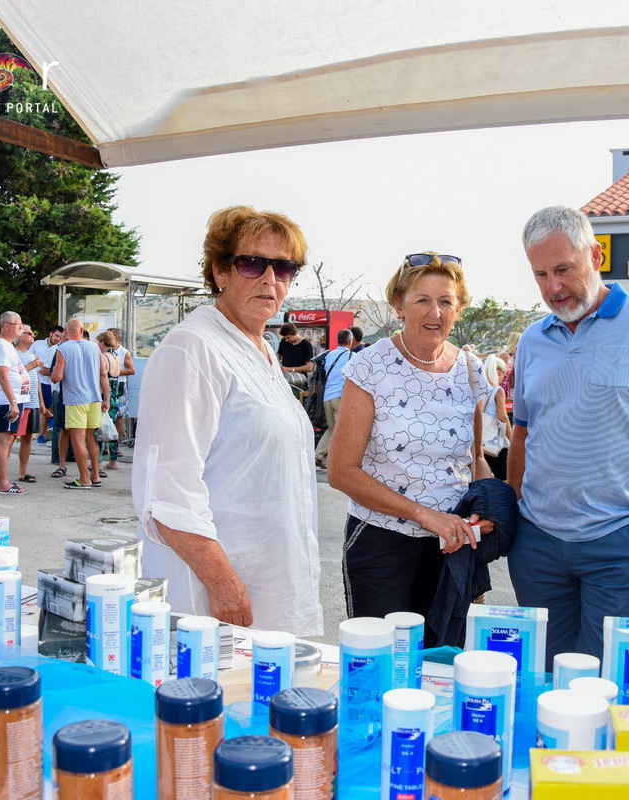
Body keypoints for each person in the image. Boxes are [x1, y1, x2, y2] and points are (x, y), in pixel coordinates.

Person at [507, 206, 629, 661]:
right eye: (540, 274)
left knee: (608, 682)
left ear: (596, 256)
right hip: (538, 545)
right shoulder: (533, 339)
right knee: (543, 676)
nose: (553, 287)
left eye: (564, 269)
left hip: (620, 541)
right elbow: (522, 434)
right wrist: (515, 510)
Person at [130, 205, 323, 635]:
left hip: (267, 581)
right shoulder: (191, 347)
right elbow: (168, 490)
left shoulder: (261, 348)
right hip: (217, 596)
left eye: (284, 268)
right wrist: (222, 583)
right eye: (252, 263)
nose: (270, 279)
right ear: (219, 271)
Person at [328, 252, 494, 644]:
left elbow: (476, 460)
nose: (434, 312)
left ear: (458, 308)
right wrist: (425, 515)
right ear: (399, 305)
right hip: (382, 541)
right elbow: (341, 471)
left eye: (446, 301)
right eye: (422, 300)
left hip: (451, 546)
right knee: (381, 658)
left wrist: (486, 504)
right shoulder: (371, 366)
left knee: (442, 661)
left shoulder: (470, 370)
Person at [51, 319, 109, 490]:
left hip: (75, 399)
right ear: (82, 330)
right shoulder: (94, 347)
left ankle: (84, 479)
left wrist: (53, 373)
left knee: (77, 439)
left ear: (66, 332)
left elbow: (57, 377)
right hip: (94, 398)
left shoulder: (63, 349)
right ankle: (95, 475)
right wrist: (106, 398)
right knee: (91, 438)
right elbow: (103, 374)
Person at [0, 310, 32, 494]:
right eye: (18, 325)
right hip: (8, 400)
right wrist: (13, 402)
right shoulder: (2, 347)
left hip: (12, 399)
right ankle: (2, 482)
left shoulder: (6, 346)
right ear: (6, 326)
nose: (20, 329)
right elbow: (3, 376)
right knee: (4, 439)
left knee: (5, 438)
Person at [313, 327, 354, 469]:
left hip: (327, 397)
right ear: (350, 341)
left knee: (332, 428)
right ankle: (339, 462)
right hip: (340, 397)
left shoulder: (329, 355)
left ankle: (317, 455)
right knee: (341, 431)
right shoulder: (352, 356)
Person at [13, 324, 45, 484]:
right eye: (29, 333)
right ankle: (0, 474)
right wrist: (32, 365)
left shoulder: (31, 354)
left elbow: (36, 379)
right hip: (20, 402)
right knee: (10, 437)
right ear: (19, 336)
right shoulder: (14, 354)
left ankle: (23, 472)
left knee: (27, 437)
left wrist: (41, 402)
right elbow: (12, 374)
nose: (33, 335)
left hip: (32, 402)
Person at [480, 354, 513, 480]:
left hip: (480, 441)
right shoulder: (498, 390)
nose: (504, 377)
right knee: (503, 478)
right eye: (504, 374)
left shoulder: (480, 387)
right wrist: (512, 439)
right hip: (494, 443)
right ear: (499, 372)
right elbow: (503, 418)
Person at [30, 325, 62, 443]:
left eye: (60, 337)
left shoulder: (60, 348)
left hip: (51, 383)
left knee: (46, 408)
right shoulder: (38, 344)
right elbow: (29, 357)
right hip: (38, 381)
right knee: (39, 406)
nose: (58, 339)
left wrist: (44, 365)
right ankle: (44, 429)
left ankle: (43, 434)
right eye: (56, 335)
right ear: (50, 334)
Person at [96, 330, 123, 471]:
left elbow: (102, 377)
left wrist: (103, 398)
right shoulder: (116, 356)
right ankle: (113, 460)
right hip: (115, 395)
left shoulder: (103, 357)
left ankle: (98, 461)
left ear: (102, 343)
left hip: (106, 396)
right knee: (111, 429)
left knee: (100, 429)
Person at [106, 327, 136, 446]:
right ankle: (106, 446)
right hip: (105, 386)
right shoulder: (103, 351)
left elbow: (131, 370)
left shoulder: (124, 352)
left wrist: (115, 371)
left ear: (116, 338)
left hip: (119, 387)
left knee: (118, 418)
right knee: (105, 417)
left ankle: (117, 444)